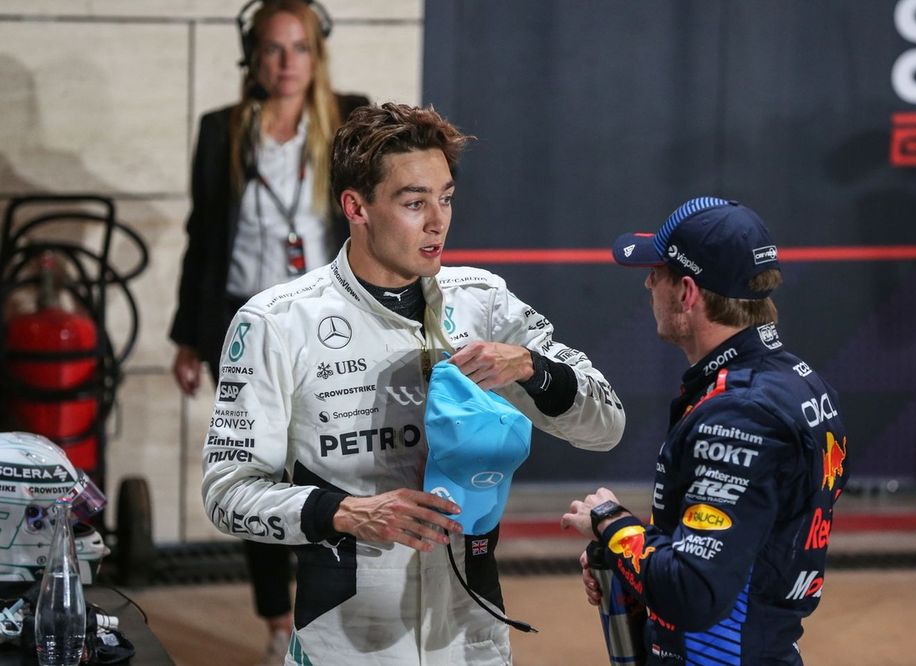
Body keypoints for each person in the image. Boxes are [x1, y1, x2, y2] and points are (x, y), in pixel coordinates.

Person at [200, 101, 626, 665]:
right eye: (414, 202)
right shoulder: (276, 322)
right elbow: (226, 493)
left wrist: (532, 367)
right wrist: (348, 512)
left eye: (446, 197)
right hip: (346, 645)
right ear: (356, 206)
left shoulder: (485, 301)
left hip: (475, 641)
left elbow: (607, 427)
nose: (438, 221)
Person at [561, 197, 849, 665]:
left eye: (658, 271)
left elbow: (693, 590)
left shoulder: (739, 414)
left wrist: (612, 524)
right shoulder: (799, 383)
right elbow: (739, 543)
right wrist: (631, 556)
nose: (649, 282)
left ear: (687, 293)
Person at [167, 1, 367, 663]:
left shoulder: (348, 118)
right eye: (274, 49)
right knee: (256, 471)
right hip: (241, 326)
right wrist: (189, 337)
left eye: (299, 48)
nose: (287, 64)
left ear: (318, 53)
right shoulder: (222, 130)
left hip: (326, 322)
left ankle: (328, 611)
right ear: (252, 56)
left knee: (328, 465)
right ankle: (278, 620)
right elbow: (204, 239)